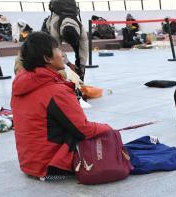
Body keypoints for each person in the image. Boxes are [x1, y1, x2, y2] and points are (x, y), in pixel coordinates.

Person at [11, 32, 111, 180]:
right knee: (104, 136)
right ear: (47, 58)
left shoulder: (21, 85)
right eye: (58, 49)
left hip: (30, 164)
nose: (62, 54)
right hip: (50, 166)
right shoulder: (56, 91)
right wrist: (108, 128)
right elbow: (84, 130)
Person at [46, 0, 89, 80]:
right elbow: (57, 49)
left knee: (80, 60)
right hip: (50, 28)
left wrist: (82, 65)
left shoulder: (81, 28)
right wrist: (69, 64)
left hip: (68, 30)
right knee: (51, 55)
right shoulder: (55, 26)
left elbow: (84, 49)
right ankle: (55, 80)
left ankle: (80, 80)